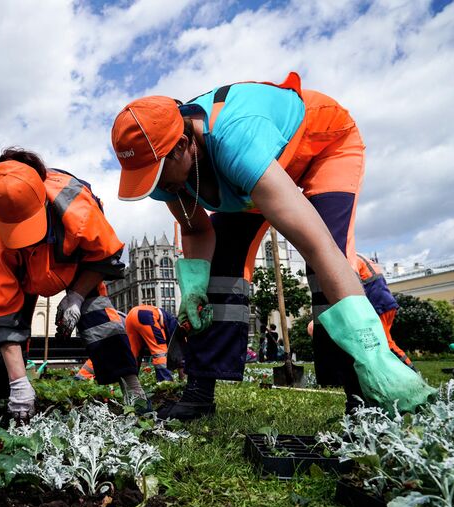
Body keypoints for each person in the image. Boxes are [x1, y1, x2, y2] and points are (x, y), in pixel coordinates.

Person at [111, 71, 434, 417]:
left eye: (158, 173)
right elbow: (195, 231)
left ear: (183, 146)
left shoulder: (237, 143)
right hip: (254, 171)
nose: (157, 186)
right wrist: (193, 290)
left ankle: (365, 387)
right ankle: (199, 392)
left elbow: (317, 246)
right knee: (220, 266)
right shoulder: (169, 168)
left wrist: (372, 350)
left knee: (326, 263)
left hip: (323, 145)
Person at [0, 148, 144, 423]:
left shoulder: (76, 204)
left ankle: (134, 390)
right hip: (24, 273)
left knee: (99, 316)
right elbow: (1, 311)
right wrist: (19, 384)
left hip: (76, 266)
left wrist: (76, 296)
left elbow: (106, 256)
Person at [76, 305, 178, 382]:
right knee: (160, 353)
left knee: (131, 355)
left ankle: (82, 377)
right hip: (143, 316)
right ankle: (165, 382)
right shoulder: (177, 328)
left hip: (131, 316)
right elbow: (174, 353)